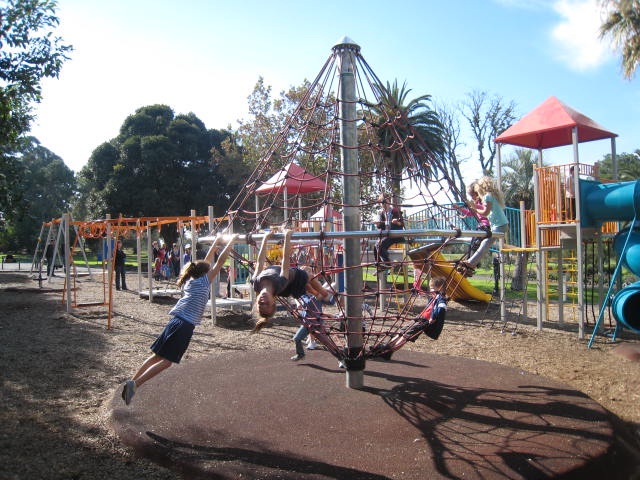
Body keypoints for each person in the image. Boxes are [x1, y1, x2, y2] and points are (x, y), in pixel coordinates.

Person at [121, 234, 239, 405]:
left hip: (175, 321)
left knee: (156, 356)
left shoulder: (191, 279)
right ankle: (135, 385)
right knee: (167, 362)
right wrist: (232, 241)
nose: (210, 268)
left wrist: (215, 243)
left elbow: (206, 261)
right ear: (205, 272)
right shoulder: (204, 281)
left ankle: (132, 381)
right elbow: (220, 261)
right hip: (184, 325)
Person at [251, 229, 335, 333]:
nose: (263, 302)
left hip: (288, 284)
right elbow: (285, 262)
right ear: (273, 302)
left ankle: (318, 295)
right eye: (267, 304)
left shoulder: (255, 283)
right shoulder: (279, 283)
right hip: (295, 276)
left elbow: (260, 262)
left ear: (256, 302)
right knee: (309, 277)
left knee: (308, 286)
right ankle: (324, 294)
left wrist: (265, 238)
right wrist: (287, 237)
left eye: (260, 305)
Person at [371, 277, 447, 360]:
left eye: (432, 288)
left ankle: (389, 350)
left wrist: (432, 317)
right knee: (403, 331)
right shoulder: (435, 297)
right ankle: (387, 346)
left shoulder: (441, 298)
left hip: (424, 321)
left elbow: (441, 309)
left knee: (406, 336)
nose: (430, 290)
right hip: (420, 318)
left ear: (440, 288)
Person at [457, 176, 508, 277]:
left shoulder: (487, 197)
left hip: (499, 225)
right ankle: (471, 263)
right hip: (501, 225)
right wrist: (473, 206)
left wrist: (475, 209)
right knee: (484, 243)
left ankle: (471, 263)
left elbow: (485, 212)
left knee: (484, 243)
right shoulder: (491, 196)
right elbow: (484, 210)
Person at [374, 193, 405, 269]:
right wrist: (378, 225)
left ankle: (387, 264)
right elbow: (381, 226)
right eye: (382, 202)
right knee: (376, 246)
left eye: (385, 202)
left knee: (379, 245)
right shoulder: (382, 213)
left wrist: (397, 222)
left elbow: (402, 224)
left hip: (395, 235)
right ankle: (380, 265)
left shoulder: (395, 211)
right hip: (387, 235)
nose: (384, 204)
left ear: (389, 202)